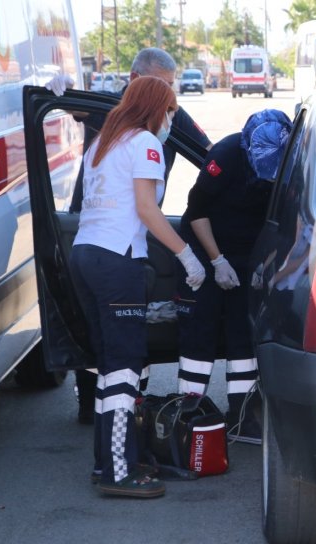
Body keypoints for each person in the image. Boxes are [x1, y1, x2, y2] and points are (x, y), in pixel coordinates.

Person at [48, 47, 213, 424]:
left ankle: (121, 415)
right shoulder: (114, 111)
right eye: (164, 87)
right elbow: (146, 207)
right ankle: (105, 416)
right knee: (115, 341)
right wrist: (62, 91)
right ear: (139, 80)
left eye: (173, 88)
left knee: (118, 342)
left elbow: (208, 156)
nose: (171, 104)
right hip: (113, 234)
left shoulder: (166, 114)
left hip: (107, 239)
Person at [69, 75, 206, 497]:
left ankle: (108, 462)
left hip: (85, 256)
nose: (170, 119)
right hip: (117, 261)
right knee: (126, 368)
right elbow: (148, 211)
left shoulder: (102, 144)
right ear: (154, 109)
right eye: (169, 111)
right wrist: (187, 255)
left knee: (110, 369)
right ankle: (118, 471)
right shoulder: (145, 143)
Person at [175, 109, 293, 445]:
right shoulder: (226, 155)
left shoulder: (289, 159)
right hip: (206, 243)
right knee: (201, 327)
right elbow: (196, 212)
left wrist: (264, 265)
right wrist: (216, 261)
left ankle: (241, 417)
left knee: (243, 334)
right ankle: (189, 413)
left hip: (248, 252)